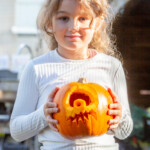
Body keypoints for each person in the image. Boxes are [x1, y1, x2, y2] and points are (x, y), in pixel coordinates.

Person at [10, 0, 133, 150]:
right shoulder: (37, 69)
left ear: (97, 23)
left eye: (83, 18)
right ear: (50, 23)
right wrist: (43, 115)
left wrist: (120, 118)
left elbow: (124, 132)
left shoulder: (112, 66)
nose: (73, 27)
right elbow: (16, 131)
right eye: (63, 18)